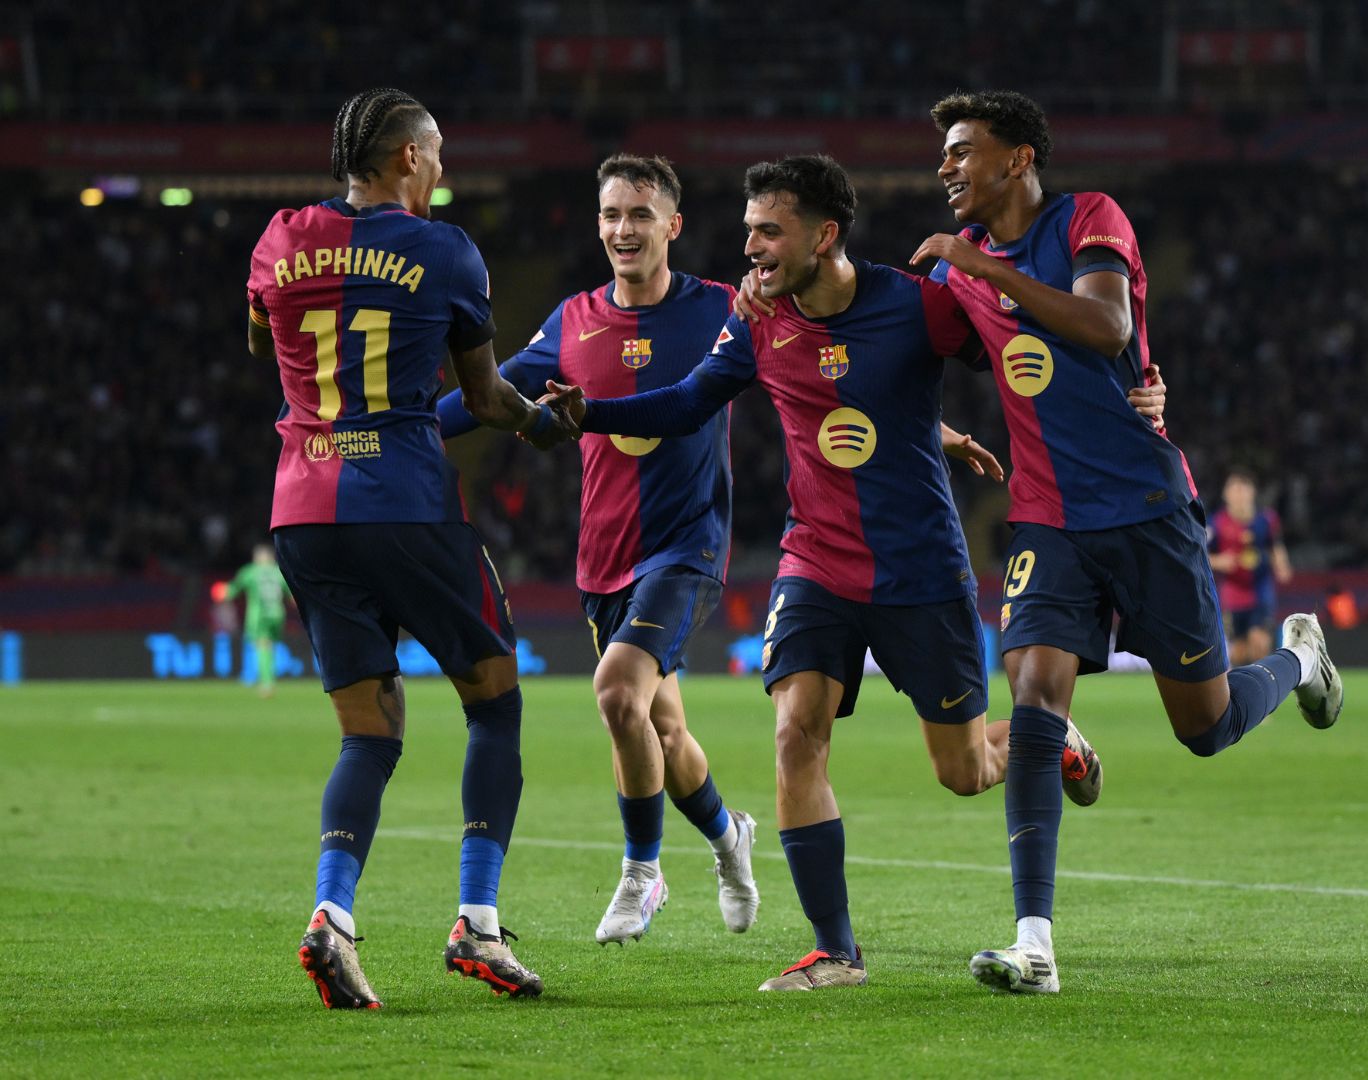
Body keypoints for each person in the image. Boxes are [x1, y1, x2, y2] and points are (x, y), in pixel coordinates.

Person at [545, 155, 1168, 992]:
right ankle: (835, 951)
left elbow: (1030, 350)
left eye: (770, 231)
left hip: (920, 570)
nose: (752, 248)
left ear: (824, 234)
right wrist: (594, 415)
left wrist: (1139, 390)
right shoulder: (757, 320)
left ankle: (1044, 739)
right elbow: (688, 400)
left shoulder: (920, 304)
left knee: (961, 773)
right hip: (815, 562)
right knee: (795, 729)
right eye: (748, 230)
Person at [910, 90, 1343, 995]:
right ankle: (1035, 945)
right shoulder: (957, 274)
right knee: (1032, 699)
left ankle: (1300, 661)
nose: (945, 166)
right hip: (1045, 518)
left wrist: (978, 272)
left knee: (1206, 725)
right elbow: (896, 346)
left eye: (962, 150)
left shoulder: (1087, 219)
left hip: (1145, 505)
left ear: (1019, 157)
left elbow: (1106, 326)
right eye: (942, 154)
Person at [247, 88, 564, 1008]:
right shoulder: (446, 252)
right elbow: (491, 398)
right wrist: (544, 427)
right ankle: (479, 923)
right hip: (405, 500)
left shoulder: (279, 237)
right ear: (407, 159)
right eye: (436, 156)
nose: (442, 171)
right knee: (494, 700)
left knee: (368, 734)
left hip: (302, 506)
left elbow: (259, 333)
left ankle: (332, 918)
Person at [437, 154, 760, 946]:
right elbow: (495, 392)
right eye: (612, 214)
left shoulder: (722, 310)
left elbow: (807, 381)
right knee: (662, 729)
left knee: (617, 692)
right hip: (603, 555)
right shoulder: (573, 319)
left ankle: (640, 875)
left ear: (671, 226)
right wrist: (405, 429)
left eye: (640, 215)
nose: (623, 229)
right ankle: (729, 839)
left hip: (685, 548)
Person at [1208, 470, 1294, 665]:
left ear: (1252, 493)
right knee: (1238, 652)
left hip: (1260, 589)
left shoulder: (1267, 519)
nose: (1239, 495)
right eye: (1234, 489)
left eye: (1243, 489)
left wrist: (1282, 564)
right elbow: (1200, 557)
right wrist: (1220, 560)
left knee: (1259, 643)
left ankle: (1260, 691)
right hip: (1232, 593)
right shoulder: (1216, 523)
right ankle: (1238, 690)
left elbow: (1275, 545)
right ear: (1226, 494)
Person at [225, 542, 293, 696]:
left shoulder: (250, 572)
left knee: (262, 646)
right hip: (277, 614)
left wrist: (222, 592)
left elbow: (232, 591)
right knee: (270, 647)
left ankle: (267, 683)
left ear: (257, 558)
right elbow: (292, 596)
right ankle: (257, 676)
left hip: (259, 616)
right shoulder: (279, 572)